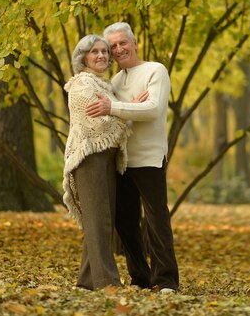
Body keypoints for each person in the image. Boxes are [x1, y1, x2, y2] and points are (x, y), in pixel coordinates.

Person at [85, 22, 179, 293]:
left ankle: (166, 281)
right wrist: (127, 107)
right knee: (125, 223)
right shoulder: (115, 81)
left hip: (149, 158)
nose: (117, 49)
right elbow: (119, 122)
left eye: (122, 43)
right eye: (112, 46)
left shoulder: (155, 70)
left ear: (134, 42)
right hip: (123, 160)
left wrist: (116, 107)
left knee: (155, 220)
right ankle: (140, 277)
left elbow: (152, 109)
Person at [63, 34, 134, 291]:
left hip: (107, 156)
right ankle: (107, 282)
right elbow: (103, 121)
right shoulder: (82, 84)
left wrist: (119, 108)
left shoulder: (104, 86)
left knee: (102, 220)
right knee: (99, 221)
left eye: (105, 51)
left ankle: (86, 281)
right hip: (89, 156)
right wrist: (127, 108)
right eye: (95, 51)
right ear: (83, 57)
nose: (102, 55)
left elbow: (112, 113)